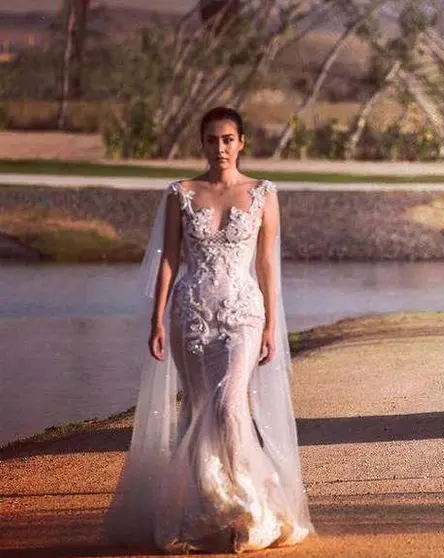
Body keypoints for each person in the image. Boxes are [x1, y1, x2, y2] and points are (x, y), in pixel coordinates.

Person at [104, 107, 312, 553]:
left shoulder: (263, 193)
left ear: (242, 143)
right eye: (212, 140)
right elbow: (168, 260)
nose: (220, 148)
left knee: (230, 407)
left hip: (243, 314)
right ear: (201, 143)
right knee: (199, 410)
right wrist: (157, 318)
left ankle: (249, 509)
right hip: (191, 314)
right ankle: (207, 509)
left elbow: (266, 265)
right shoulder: (180, 192)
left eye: (228, 139)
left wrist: (273, 324)